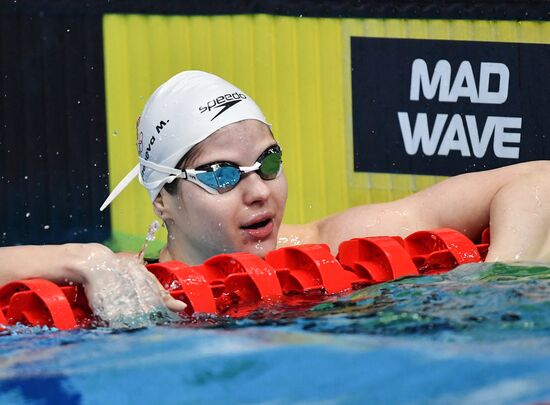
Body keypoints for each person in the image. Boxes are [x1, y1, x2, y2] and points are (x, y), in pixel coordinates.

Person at [1, 70, 550, 325]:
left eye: (268, 162)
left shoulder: (331, 246)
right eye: (221, 175)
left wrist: (498, 284)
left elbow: (538, 180)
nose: (259, 191)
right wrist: (84, 260)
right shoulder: (125, 285)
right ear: (163, 201)